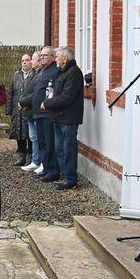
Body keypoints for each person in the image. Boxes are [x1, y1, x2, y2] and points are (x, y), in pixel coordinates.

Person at [40, 47, 84, 190]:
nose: (55, 59)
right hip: (58, 116)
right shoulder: (60, 72)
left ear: (65, 58)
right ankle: (65, 175)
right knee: (59, 149)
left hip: (69, 118)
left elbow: (67, 97)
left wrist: (47, 103)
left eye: (57, 56)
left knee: (68, 149)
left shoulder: (74, 73)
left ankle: (71, 179)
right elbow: (53, 91)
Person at [30, 46, 58, 178]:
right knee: (42, 142)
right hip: (38, 113)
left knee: (49, 143)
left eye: (44, 55)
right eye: (41, 56)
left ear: (52, 57)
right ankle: (46, 167)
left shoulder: (54, 71)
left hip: (47, 113)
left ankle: (52, 170)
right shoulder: (42, 70)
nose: (41, 58)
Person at [6, 53, 36, 167]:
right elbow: (11, 92)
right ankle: (21, 156)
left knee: (30, 133)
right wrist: (9, 108)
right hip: (16, 109)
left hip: (29, 108)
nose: (24, 62)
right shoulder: (16, 75)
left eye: (27, 60)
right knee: (18, 132)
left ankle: (31, 156)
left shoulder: (34, 75)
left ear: (31, 62)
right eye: (23, 60)